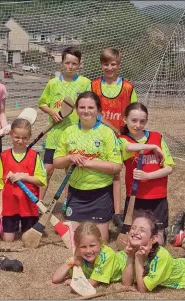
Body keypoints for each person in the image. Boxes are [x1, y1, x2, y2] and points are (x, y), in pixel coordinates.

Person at [53, 91, 123, 243]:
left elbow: (117, 167)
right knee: (75, 242)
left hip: (100, 194)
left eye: (91, 107)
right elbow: (57, 162)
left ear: (98, 111)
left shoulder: (106, 133)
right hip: (76, 194)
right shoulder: (68, 132)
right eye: (82, 107)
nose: (86, 111)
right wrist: (69, 158)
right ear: (76, 110)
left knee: (101, 241)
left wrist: (89, 162)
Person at [90, 48, 139, 227]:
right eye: (105, 64)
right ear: (101, 65)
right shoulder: (94, 85)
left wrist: (130, 133)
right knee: (102, 172)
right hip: (100, 136)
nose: (109, 67)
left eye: (113, 64)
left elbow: (134, 112)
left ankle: (120, 212)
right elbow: (92, 111)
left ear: (119, 65)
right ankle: (101, 208)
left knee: (121, 174)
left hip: (123, 138)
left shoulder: (127, 87)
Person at [38, 47, 91, 202]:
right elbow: (42, 103)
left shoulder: (85, 83)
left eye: (74, 63)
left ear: (79, 65)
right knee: (47, 170)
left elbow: (89, 105)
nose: (70, 66)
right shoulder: (53, 83)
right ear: (62, 63)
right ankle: (39, 204)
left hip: (75, 135)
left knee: (71, 171)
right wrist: (52, 112)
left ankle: (68, 203)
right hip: (55, 135)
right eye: (67, 63)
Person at [118, 102, 175, 245]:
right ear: (125, 120)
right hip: (136, 197)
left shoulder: (157, 136)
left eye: (142, 121)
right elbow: (131, 147)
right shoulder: (122, 140)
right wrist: (153, 146)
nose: (138, 125)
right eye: (134, 120)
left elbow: (169, 168)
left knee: (158, 238)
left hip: (158, 196)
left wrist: (147, 176)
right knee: (135, 237)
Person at [0, 118, 47, 241]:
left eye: (24, 138)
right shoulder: (3, 156)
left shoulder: (34, 156)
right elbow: (0, 184)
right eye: (17, 137)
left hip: (28, 204)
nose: (20, 141)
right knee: (8, 239)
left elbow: (41, 181)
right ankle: (3, 225)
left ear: (29, 137)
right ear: (11, 134)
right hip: (9, 203)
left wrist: (23, 176)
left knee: (27, 239)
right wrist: (1, 206)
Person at [48, 222, 127, 287]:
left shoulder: (106, 257)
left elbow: (92, 283)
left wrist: (72, 282)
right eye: (83, 247)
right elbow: (55, 279)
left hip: (128, 264)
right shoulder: (81, 257)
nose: (88, 251)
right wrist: (70, 261)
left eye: (92, 245)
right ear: (78, 247)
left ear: (100, 242)